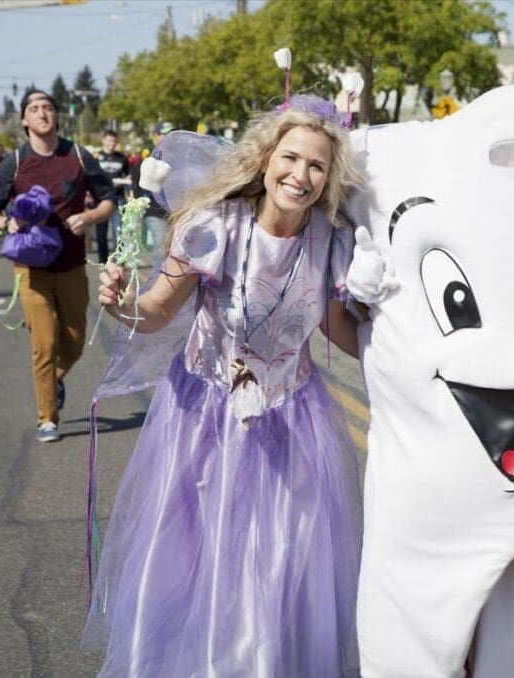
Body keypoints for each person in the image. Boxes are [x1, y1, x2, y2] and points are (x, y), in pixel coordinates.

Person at [82, 97, 364, 677]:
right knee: (200, 562)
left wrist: (416, 357)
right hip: (204, 419)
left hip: (292, 420)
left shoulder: (331, 241)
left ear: (330, 176)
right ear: (265, 160)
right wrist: (122, 302)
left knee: (281, 563)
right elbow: (158, 309)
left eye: (317, 165)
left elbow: (339, 331)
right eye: (290, 157)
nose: (301, 175)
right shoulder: (215, 226)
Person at [0, 89, 116, 442]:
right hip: (31, 269)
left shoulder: (79, 157)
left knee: (74, 341)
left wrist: (88, 216)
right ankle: (47, 418)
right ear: (24, 119)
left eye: (48, 108)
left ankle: (52, 380)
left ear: (56, 116)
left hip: (70, 265)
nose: (42, 113)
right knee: (44, 343)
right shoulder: (15, 162)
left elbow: (108, 201)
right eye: (34, 109)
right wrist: (7, 223)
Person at [129, 121, 172, 264]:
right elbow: (136, 178)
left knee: (173, 251)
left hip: (174, 211)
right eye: (164, 133)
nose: (168, 136)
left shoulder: (177, 155)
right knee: (161, 249)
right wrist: (140, 201)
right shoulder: (148, 154)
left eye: (170, 133)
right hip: (154, 211)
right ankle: (156, 282)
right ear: (157, 136)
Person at [94, 130, 131, 263]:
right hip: (100, 198)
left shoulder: (122, 158)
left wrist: (124, 181)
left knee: (119, 232)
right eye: (109, 140)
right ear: (103, 140)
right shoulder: (96, 157)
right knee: (101, 234)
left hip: (118, 198)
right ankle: (103, 262)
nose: (112, 143)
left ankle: (119, 261)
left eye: (114, 141)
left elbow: (129, 174)